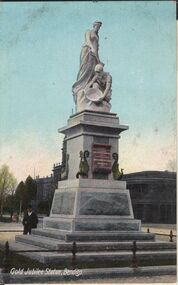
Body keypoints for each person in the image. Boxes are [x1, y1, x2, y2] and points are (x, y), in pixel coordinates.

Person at [72, 21, 103, 103]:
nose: (98, 28)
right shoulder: (88, 31)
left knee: (93, 72)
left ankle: (89, 88)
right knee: (85, 69)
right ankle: (79, 87)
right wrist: (91, 47)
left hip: (94, 55)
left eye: (99, 27)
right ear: (94, 25)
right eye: (97, 26)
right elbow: (88, 40)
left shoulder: (97, 36)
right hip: (87, 51)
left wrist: (99, 60)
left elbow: (97, 49)